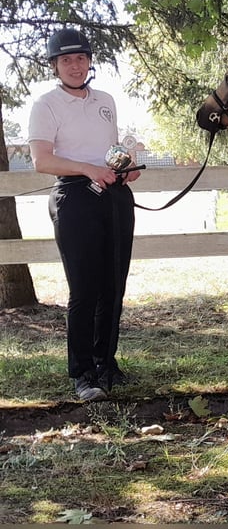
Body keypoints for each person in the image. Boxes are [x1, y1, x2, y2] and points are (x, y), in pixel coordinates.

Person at [28, 28, 141, 401]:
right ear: (55, 66)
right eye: (66, 60)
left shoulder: (106, 100)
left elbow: (108, 151)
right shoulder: (46, 105)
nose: (75, 66)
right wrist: (88, 170)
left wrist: (125, 168)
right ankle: (82, 373)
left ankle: (106, 363)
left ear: (90, 61)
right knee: (84, 290)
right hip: (74, 198)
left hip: (113, 195)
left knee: (114, 286)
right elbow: (42, 160)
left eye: (80, 58)